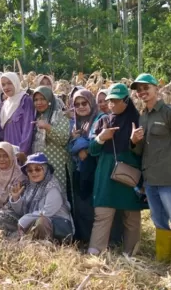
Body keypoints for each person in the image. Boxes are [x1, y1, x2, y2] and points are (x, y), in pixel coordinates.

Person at [130, 74, 171, 262]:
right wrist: (133, 141)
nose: (142, 92)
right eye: (139, 90)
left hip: (169, 178)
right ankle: (163, 261)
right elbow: (140, 151)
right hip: (150, 180)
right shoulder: (143, 116)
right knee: (159, 222)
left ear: (157, 89)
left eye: (146, 88)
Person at [87, 83, 146, 256]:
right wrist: (101, 138)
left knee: (132, 218)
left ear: (126, 101)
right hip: (106, 175)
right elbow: (92, 150)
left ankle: (131, 254)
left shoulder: (139, 121)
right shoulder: (103, 121)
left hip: (131, 176)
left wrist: (134, 141)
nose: (111, 104)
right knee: (102, 215)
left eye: (115, 101)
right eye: (109, 101)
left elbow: (144, 152)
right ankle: (94, 254)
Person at [0, 153, 74, 241]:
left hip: (59, 229)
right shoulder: (30, 186)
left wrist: (24, 219)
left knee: (42, 221)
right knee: (2, 216)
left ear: (46, 170)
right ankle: (18, 239)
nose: (34, 172)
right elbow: (22, 211)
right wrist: (16, 198)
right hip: (34, 223)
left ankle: (45, 246)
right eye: (30, 170)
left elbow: (47, 213)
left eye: (38, 169)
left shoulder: (52, 187)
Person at [69, 89, 106, 244]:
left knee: (94, 208)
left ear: (91, 102)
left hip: (97, 169)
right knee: (82, 207)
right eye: (77, 104)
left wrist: (80, 144)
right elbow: (72, 147)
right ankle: (84, 240)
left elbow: (96, 143)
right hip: (81, 171)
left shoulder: (100, 119)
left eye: (84, 103)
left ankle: (97, 241)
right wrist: (77, 143)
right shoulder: (77, 122)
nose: (81, 107)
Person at [0, 72, 35, 158]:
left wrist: (22, 151)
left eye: (9, 83)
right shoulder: (4, 105)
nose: (6, 87)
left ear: (16, 82)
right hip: (8, 153)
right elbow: (3, 134)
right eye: (3, 84)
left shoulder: (25, 100)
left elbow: (28, 129)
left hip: (22, 154)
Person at [31, 86, 71, 192]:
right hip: (39, 167)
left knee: (57, 197)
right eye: (36, 100)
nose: (39, 102)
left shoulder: (60, 115)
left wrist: (47, 127)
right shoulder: (35, 117)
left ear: (50, 99)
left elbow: (63, 139)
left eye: (43, 99)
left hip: (57, 166)